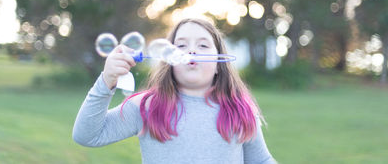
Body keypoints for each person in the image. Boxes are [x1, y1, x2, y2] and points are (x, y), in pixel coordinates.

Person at [73, 18, 277, 164]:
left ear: (218, 64)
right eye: (181, 45)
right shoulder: (147, 106)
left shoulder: (239, 110)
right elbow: (87, 135)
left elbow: (260, 160)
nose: (191, 51)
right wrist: (106, 80)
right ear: (169, 61)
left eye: (203, 45)